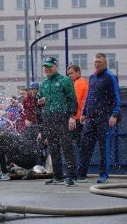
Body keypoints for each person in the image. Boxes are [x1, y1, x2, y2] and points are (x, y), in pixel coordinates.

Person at [78, 53, 121, 184]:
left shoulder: (111, 77)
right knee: (85, 145)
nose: (97, 64)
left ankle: (103, 175)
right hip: (90, 118)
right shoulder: (91, 77)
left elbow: (116, 97)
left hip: (104, 118)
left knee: (104, 147)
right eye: (95, 62)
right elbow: (89, 97)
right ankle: (81, 174)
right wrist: (84, 113)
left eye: (99, 62)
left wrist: (114, 114)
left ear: (105, 63)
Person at [37, 57, 78, 186]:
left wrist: (72, 116)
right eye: (45, 67)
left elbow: (73, 99)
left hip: (63, 118)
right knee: (53, 148)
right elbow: (39, 100)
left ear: (56, 66)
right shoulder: (43, 84)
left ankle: (72, 176)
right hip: (49, 119)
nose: (47, 69)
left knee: (67, 147)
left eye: (50, 66)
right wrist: (40, 101)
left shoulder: (65, 80)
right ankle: (58, 176)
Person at [67, 64, 89, 175]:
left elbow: (75, 100)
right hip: (80, 118)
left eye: (71, 73)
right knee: (81, 145)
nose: (69, 75)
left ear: (78, 72)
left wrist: (72, 116)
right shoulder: (82, 82)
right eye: (68, 74)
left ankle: (77, 172)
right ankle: (80, 171)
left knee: (74, 144)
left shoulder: (79, 83)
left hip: (78, 119)